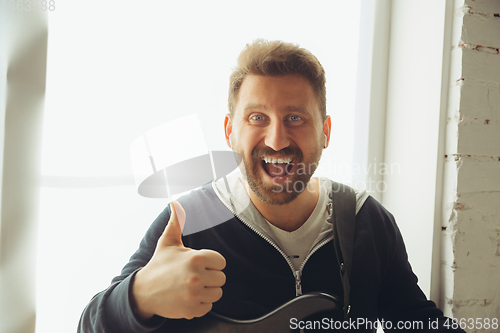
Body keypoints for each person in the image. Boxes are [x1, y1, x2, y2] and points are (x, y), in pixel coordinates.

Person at [78, 39, 465, 332]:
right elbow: (89, 324)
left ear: (325, 131)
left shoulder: (367, 221)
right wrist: (141, 295)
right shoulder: (187, 222)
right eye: (257, 117)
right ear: (231, 131)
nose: (277, 139)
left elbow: (418, 323)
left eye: (295, 117)